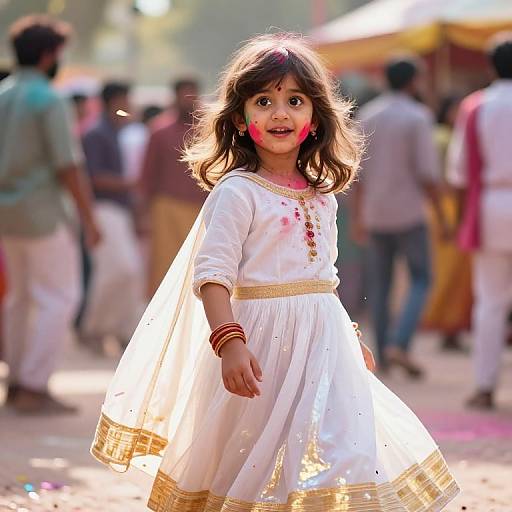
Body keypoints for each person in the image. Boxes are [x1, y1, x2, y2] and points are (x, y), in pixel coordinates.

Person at [90, 34, 459, 511]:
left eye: (295, 101)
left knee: (340, 447)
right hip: (259, 351)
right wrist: (229, 342)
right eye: (263, 101)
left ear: (315, 117)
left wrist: (349, 335)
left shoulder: (322, 193)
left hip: (323, 345)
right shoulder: (238, 192)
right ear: (240, 119)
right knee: (255, 457)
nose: (280, 113)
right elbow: (213, 274)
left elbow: (324, 277)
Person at [0, 15, 100, 414]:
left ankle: (18, 380)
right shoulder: (50, 99)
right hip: (43, 215)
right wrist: (89, 220)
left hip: (8, 215)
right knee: (58, 298)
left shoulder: (3, 94)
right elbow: (68, 166)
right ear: (48, 55)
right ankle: (33, 386)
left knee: (20, 299)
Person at [352, 57, 448, 377]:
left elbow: (357, 176)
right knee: (421, 278)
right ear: (412, 81)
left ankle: (381, 355)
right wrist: (442, 217)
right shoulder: (418, 117)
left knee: (380, 285)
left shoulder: (367, 116)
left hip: (376, 213)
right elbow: (427, 174)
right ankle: (400, 342)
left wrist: (358, 217)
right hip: (408, 212)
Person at [447, 34, 512, 409]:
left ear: (490, 66)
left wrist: (461, 219)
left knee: (490, 302)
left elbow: (457, 172)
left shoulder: (476, 107)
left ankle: (485, 386)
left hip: (489, 207)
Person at [80, 81, 145, 350]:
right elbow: (93, 178)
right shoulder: (97, 134)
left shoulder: (118, 131)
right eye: (125, 99)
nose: (128, 105)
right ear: (114, 100)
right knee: (117, 270)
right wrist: (131, 184)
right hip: (103, 209)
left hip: (119, 210)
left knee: (128, 272)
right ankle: (94, 329)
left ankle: (117, 330)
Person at [139, 78, 207, 296]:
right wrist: (142, 214)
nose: (188, 101)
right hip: (166, 209)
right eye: (183, 95)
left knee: (200, 263)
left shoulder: (210, 129)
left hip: (202, 209)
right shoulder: (160, 131)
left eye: (192, 95)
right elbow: (148, 174)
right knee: (164, 265)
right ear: (174, 97)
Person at [421, 96, 472, 351]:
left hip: (447, 206)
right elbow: (443, 177)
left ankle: (451, 329)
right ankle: (446, 326)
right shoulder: (443, 137)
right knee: (450, 273)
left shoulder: (446, 135)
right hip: (448, 206)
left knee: (455, 273)